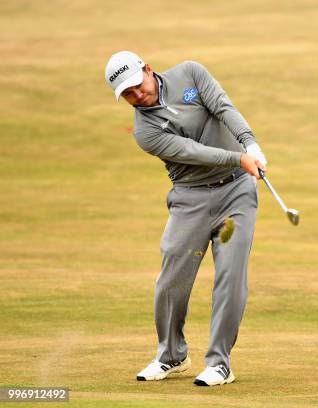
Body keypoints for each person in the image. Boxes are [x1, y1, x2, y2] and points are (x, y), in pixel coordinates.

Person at [104, 51, 266, 386]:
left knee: (230, 277)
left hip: (236, 196)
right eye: (127, 95)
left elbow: (223, 107)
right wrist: (239, 157)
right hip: (190, 200)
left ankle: (220, 363)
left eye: (137, 86)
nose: (136, 96)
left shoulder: (190, 74)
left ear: (148, 70)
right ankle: (172, 355)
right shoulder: (144, 131)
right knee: (171, 281)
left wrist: (251, 144)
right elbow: (193, 153)